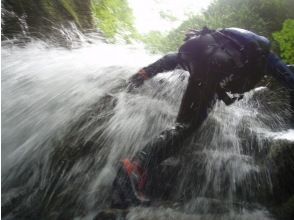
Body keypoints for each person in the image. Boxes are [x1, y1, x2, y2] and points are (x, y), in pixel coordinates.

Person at [111, 27, 294, 208]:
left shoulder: (216, 41)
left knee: (182, 127)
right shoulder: (264, 56)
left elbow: (171, 59)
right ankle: (133, 169)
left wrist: (143, 74)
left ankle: (138, 171)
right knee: (186, 127)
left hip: (202, 68)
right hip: (214, 70)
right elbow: (289, 79)